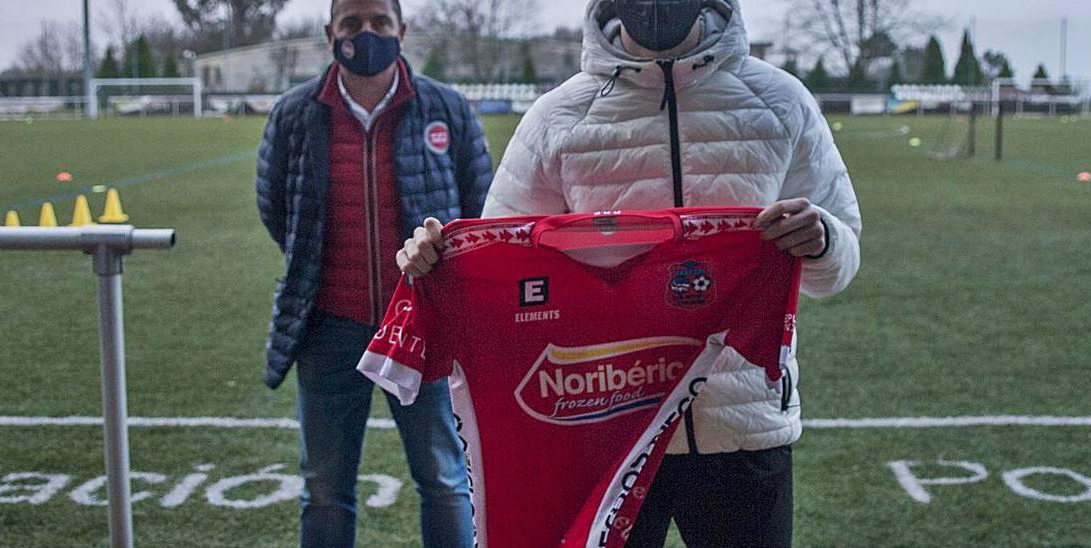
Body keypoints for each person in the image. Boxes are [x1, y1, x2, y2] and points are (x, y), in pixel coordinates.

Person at [398, 0, 861, 546]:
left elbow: (839, 264)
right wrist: (438, 260)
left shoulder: (781, 101)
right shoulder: (557, 116)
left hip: (744, 424)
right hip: (604, 430)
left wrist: (824, 239)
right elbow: (503, 266)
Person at [256, 0, 492, 545]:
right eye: (352, 24)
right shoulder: (295, 113)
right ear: (329, 33)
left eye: (379, 23)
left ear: (401, 31)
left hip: (423, 325)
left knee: (445, 478)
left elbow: (478, 207)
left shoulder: (447, 109)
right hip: (327, 326)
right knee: (324, 485)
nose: (367, 34)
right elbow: (276, 209)